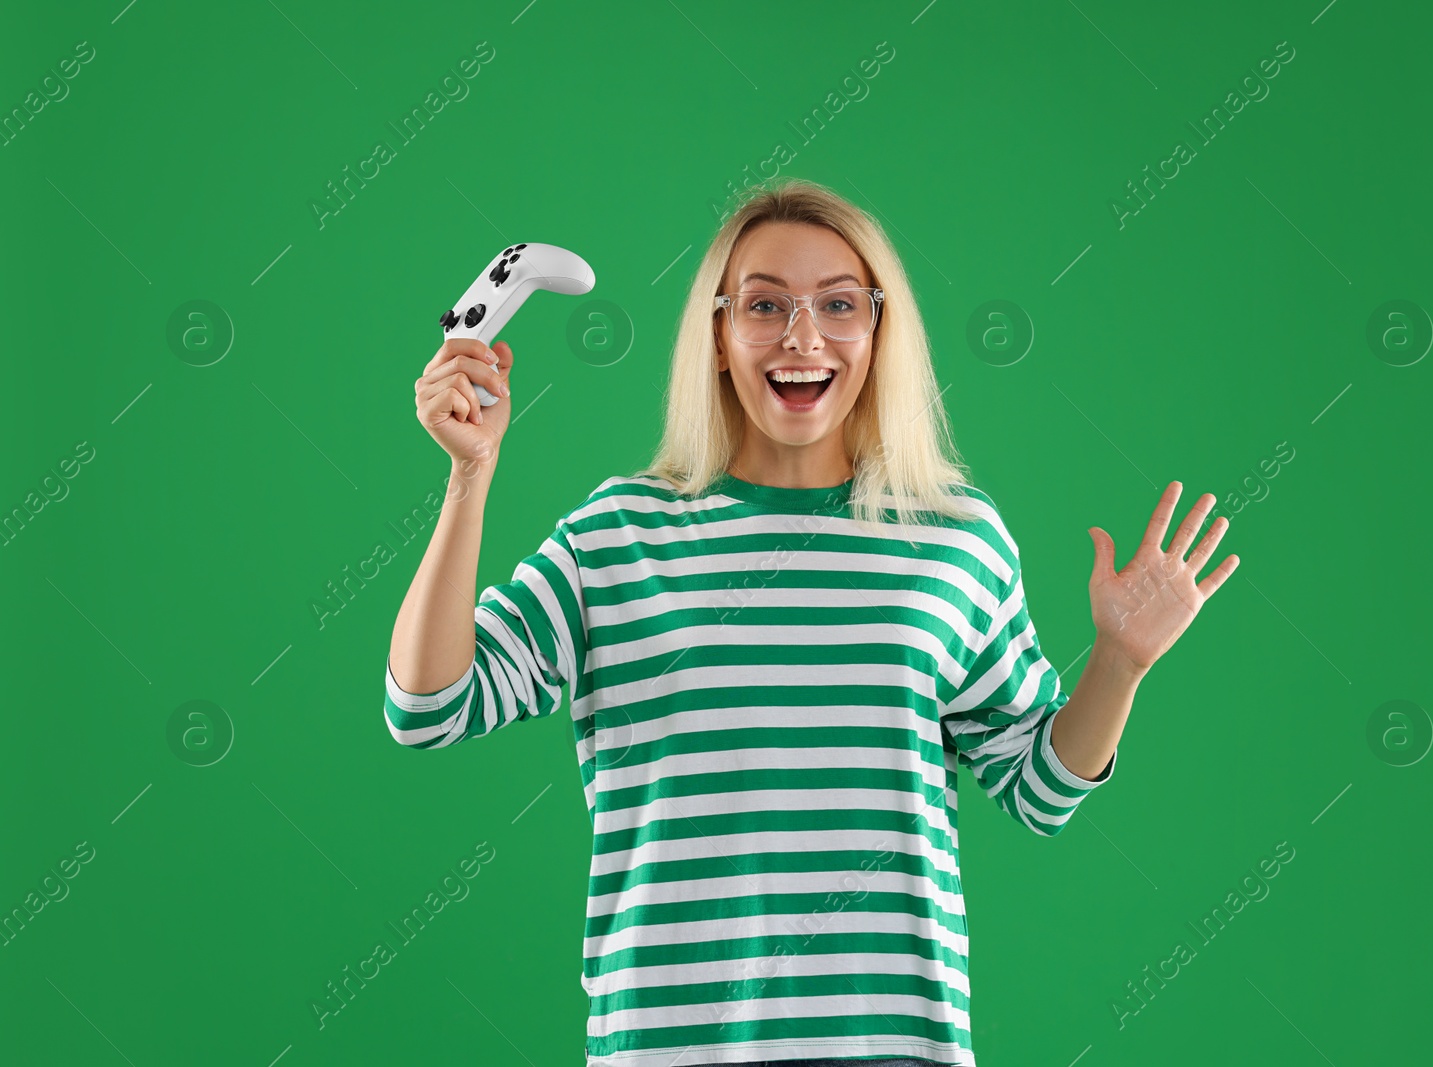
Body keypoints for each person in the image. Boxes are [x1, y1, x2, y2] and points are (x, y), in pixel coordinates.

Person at [385, 178, 1238, 1067]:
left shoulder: (954, 539)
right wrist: (469, 475)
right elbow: (427, 706)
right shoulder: (620, 534)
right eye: (764, 305)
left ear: (878, 334)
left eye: (838, 304)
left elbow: (1040, 790)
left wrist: (1120, 663)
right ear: (718, 337)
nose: (803, 337)